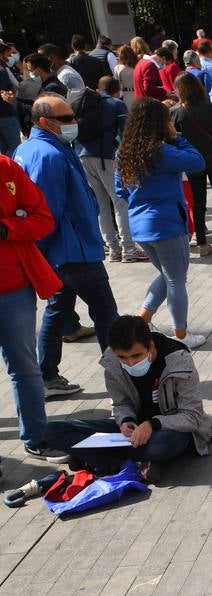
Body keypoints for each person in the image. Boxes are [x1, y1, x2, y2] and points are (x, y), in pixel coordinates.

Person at [15, 95, 120, 399]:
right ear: (46, 122)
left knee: (58, 310)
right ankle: (121, 377)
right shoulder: (49, 155)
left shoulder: (38, 148)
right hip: (72, 251)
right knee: (105, 313)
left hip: (67, 249)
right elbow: (46, 212)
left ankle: (47, 376)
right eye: (67, 118)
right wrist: (45, 253)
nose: (74, 123)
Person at [45, 315, 212, 478]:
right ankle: (133, 463)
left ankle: (97, 458)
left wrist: (152, 424)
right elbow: (120, 403)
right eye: (123, 358)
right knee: (51, 431)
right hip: (132, 431)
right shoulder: (111, 359)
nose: (130, 363)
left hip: (170, 430)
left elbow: (192, 417)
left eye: (136, 356)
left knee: (160, 446)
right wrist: (125, 420)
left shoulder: (179, 361)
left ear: (150, 346)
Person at [115, 98, 207, 348]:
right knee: (177, 279)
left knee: (168, 275)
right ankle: (181, 335)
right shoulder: (161, 151)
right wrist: (176, 137)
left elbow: (119, 190)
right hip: (165, 224)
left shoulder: (124, 152)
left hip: (140, 225)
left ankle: (142, 319)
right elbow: (197, 162)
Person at [0, 153, 69, 463]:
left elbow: (42, 218)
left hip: (14, 289)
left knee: (25, 369)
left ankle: (36, 438)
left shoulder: (6, 168)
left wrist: (8, 228)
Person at [170, 73, 212, 258]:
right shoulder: (211, 107)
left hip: (193, 161)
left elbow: (172, 139)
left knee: (198, 203)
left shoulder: (176, 112)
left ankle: (202, 244)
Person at [72, 76, 136, 263]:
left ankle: (113, 249)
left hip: (82, 156)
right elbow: (125, 135)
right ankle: (129, 248)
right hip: (106, 157)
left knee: (100, 205)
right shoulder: (116, 104)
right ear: (117, 89)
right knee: (120, 202)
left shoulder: (83, 103)